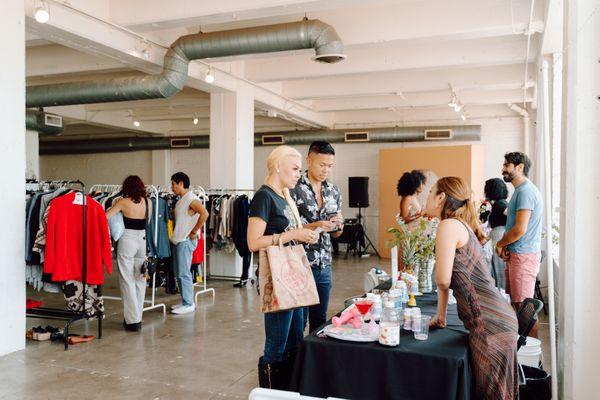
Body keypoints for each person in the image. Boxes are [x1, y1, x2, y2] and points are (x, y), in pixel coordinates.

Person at [425, 177, 518, 400]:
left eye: (430, 192)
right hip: (496, 317)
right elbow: (447, 282)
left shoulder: (448, 226)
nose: (426, 197)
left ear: (441, 198)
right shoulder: (461, 224)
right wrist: (440, 314)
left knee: (492, 394)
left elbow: (443, 279)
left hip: (489, 323)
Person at [247, 145, 319, 389]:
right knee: (277, 344)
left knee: (295, 339)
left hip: (290, 275)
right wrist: (291, 236)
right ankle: (270, 392)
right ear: (278, 166)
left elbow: (285, 233)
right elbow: (253, 242)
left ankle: (287, 389)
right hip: (276, 279)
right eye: (296, 168)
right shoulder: (264, 197)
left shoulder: (283, 196)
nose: (299, 173)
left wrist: (304, 235)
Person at [290, 141, 344, 333]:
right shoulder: (293, 188)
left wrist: (338, 224)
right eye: (322, 165)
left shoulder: (334, 191)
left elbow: (337, 234)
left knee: (320, 319)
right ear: (309, 160)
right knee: (299, 320)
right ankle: (297, 359)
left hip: (325, 264)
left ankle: (314, 360)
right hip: (301, 263)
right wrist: (316, 225)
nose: (326, 170)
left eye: (330, 166)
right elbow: (288, 228)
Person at [496, 152, 543, 314]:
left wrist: (500, 243)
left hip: (524, 257)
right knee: (517, 306)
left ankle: (530, 340)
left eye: (507, 165)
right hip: (517, 254)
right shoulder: (520, 190)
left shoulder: (525, 192)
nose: (503, 169)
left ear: (520, 167)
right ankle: (520, 340)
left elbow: (519, 229)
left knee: (525, 310)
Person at [106, 175, 152, 332]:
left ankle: (133, 321)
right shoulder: (148, 202)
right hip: (142, 239)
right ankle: (137, 316)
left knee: (127, 279)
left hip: (128, 239)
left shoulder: (123, 202)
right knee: (140, 278)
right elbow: (149, 221)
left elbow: (106, 217)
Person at [169, 172, 209, 315]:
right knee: (179, 273)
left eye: (173, 184)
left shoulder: (191, 198)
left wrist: (194, 232)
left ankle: (189, 304)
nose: (172, 187)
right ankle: (185, 300)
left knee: (183, 273)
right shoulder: (182, 200)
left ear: (181, 183)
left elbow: (205, 213)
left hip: (185, 240)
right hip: (180, 240)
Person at [484, 178, 510, 289]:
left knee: (499, 270)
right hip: (498, 237)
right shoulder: (499, 203)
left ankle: (502, 295)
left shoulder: (500, 204)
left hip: (499, 237)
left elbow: (512, 216)